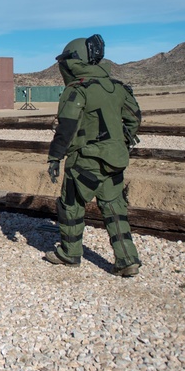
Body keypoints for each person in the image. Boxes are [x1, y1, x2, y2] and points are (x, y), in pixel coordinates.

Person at [43, 34, 143, 277]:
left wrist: (55, 157)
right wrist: (121, 141)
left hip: (84, 160)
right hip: (115, 158)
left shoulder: (77, 90)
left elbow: (66, 129)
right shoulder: (117, 88)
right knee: (114, 209)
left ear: (74, 61)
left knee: (71, 205)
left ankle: (70, 253)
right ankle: (127, 260)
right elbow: (134, 118)